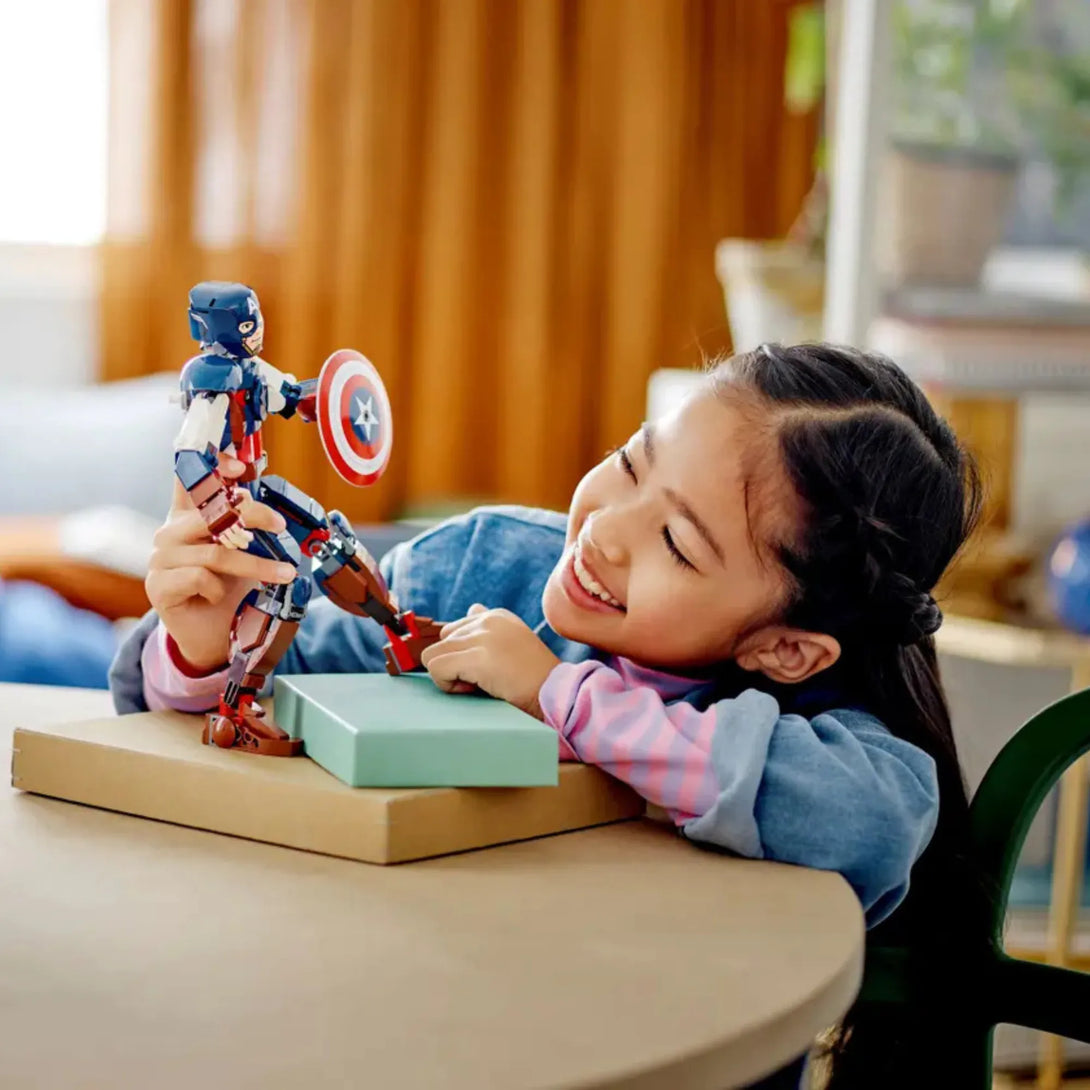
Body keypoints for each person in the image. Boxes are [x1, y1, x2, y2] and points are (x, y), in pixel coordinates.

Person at [110, 343, 982, 1089]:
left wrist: (554, 696)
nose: (606, 530)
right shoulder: (484, 565)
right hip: (427, 1038)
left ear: (785, 648)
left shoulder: (811, 721)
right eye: (634, 461)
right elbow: (284, 683)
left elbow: (867, 815)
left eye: (678, 543)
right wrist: (201, 645)